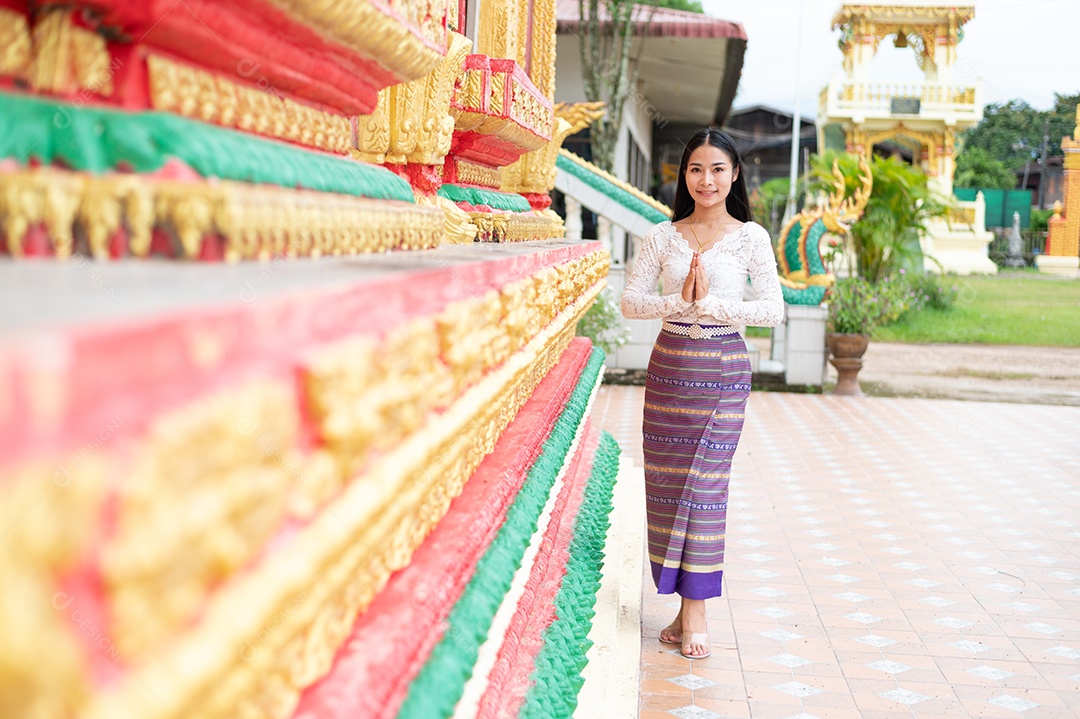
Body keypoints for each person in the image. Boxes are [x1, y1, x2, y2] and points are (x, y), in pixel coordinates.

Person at [620, 127, 784, 659]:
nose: (706, 179)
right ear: (683, 175)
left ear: (734, 174)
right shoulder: (662, 236)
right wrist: (678, 299)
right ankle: (680, 604)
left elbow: (771, 310)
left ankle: (697, 611)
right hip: (669, 372)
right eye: (696, 169)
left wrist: (712, 306)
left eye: (717, 169)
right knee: (668, 490)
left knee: (707, 489)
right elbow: (629, 302)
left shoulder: (751, 237)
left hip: (722, 372)